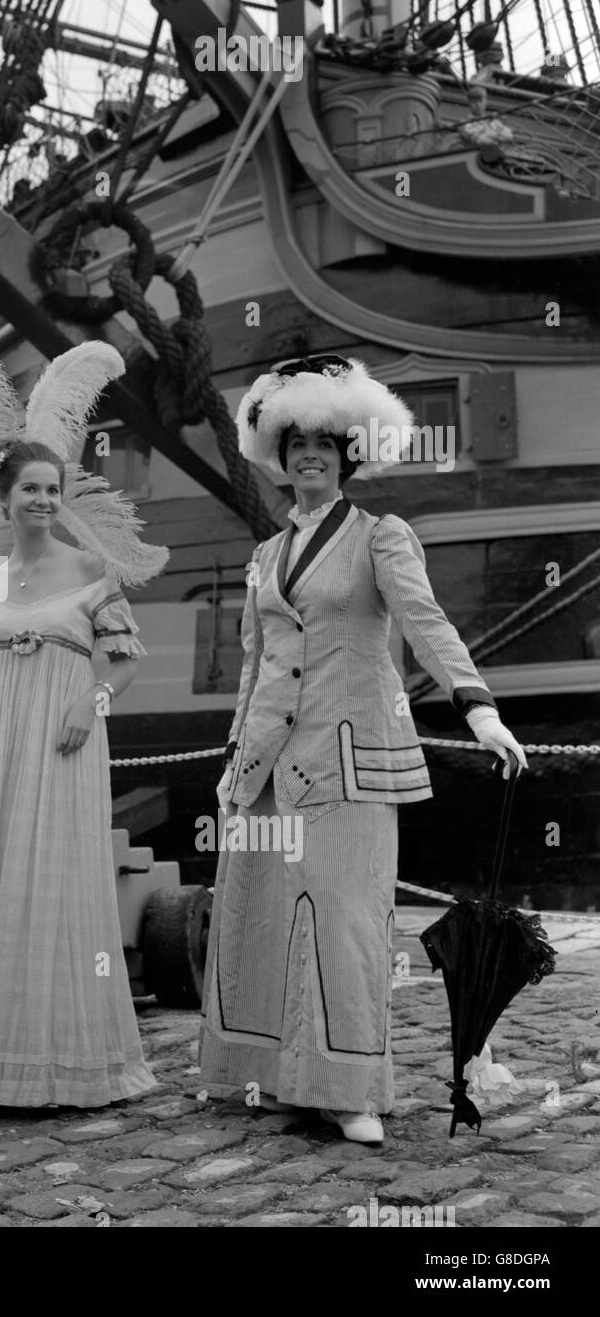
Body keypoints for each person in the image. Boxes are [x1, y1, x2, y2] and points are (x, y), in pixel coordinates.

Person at [199, 355, 528, 1146]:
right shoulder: (264, 557)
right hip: (268, 768)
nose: (311, 453)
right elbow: (253, 665)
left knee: (345, 920)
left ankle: (350, 1090)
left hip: (347, 761)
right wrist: (234, 760)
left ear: (348, 453)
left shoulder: (381, 536)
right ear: (281, 454)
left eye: (326, 442)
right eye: (297, 441)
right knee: (263, 918)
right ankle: (276, 1078)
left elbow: (426, 622)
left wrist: (478, 708)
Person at [0, 342, 167, 1108]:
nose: (45, 501)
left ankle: (62, 1059)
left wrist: (90, 704)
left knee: (54, 885)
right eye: (31, 489)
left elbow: (125, 660)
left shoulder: (90, 572)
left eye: (54, 489)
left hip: (64, 739)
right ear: (4, 497)